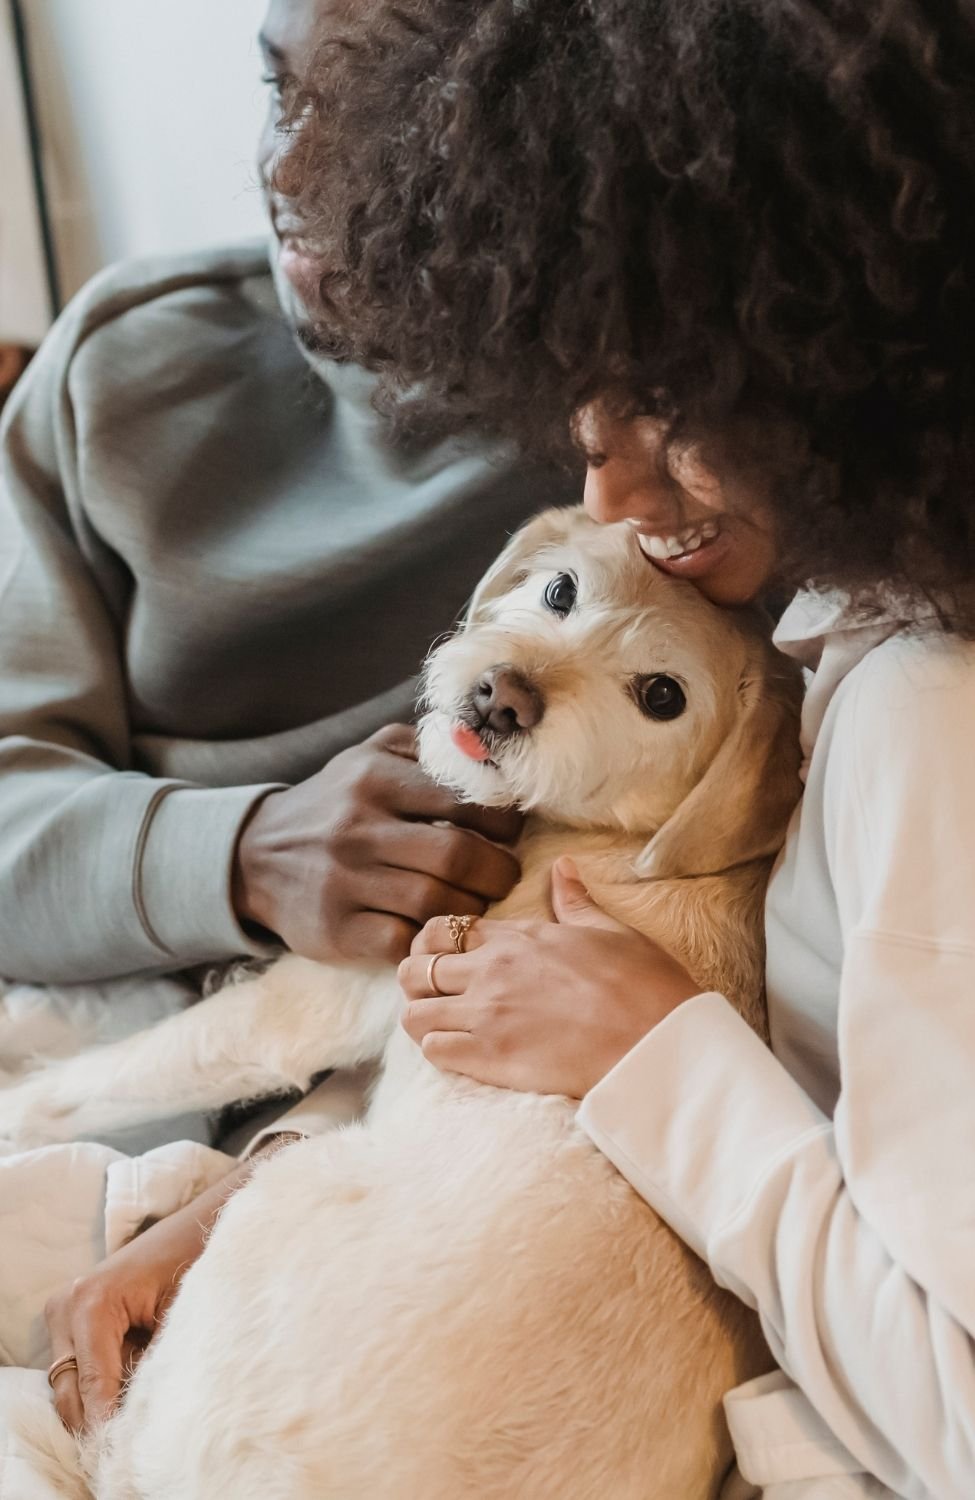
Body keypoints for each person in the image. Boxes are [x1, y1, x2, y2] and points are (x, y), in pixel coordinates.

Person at [278, 4, 972, 1499]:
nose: (601, 472)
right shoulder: (858, 633)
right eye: (586, 385)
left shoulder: (927, 707)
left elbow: (961, 1418)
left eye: (673, 398)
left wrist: (654, 1053)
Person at [0, 0, 571, 1444]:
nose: (290, 170)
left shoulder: (633, 459)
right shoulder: (124, 368)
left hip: (371, 1137)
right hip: (82, 1036)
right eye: (275, 92)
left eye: (377, 121)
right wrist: (247, 850)